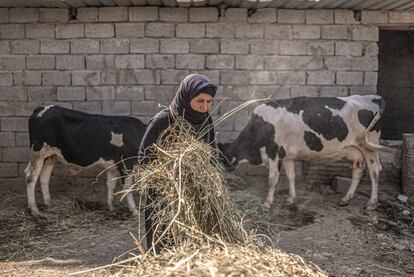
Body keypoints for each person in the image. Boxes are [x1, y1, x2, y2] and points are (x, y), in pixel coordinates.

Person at [138, 73, 217, 253]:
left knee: (192, 241)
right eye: (200, 101)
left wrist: (207, 177)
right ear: (187, 96)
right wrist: (167, 175)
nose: (205, 106)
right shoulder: (165, 119)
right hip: (165, 193)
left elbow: (212, 152)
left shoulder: (206, 120)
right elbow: (144, 155)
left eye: (209, 102)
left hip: (195, 191)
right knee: (163, 239)